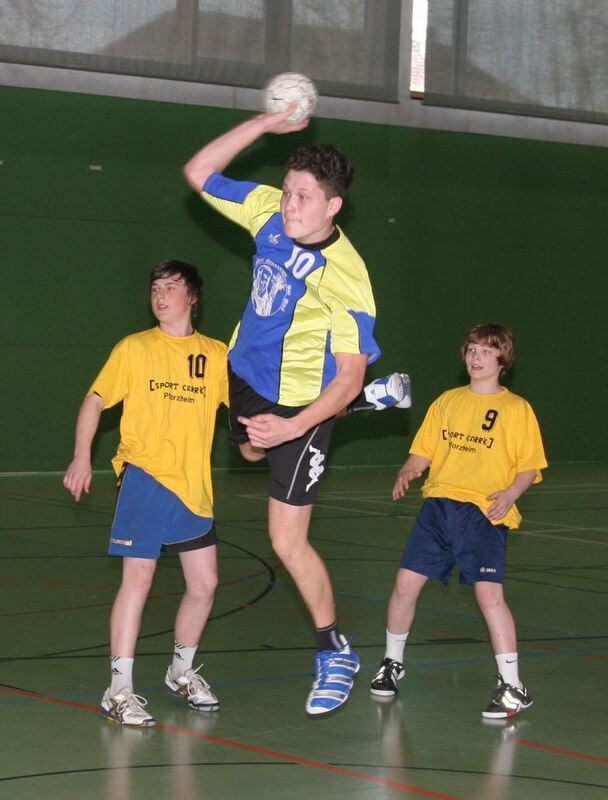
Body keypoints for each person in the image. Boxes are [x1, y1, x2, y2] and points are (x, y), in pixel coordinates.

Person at [183, 106, 409, 717]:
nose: (289, 204)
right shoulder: (265, 211)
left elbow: (346, 371)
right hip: (245, 378)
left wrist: (300, 421)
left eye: (304, 196)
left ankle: (333, 649)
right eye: (288, 191)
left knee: (286, 540)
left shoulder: (347, 278)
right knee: (250, 449)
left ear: (333, 206)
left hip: (304, 401)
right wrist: (262, 124)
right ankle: (363, 408)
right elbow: (199, 170)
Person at [63, 260, 228, 727]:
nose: (160, 296)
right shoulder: (134, 349)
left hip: (193, 487)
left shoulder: (216, 355)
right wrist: (82, 455)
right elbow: (95, 399)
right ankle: (117, 690)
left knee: (205, 585)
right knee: (137, 581)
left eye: (171, 288)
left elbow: (243, 420)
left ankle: (180, 671)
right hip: (145, 477)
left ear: (192, 297)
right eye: (155, 288)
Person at [370, 324, 547, 719]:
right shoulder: (447, 401)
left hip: (483, 513)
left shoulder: (516, 409)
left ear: (503, 360)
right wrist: (408, 469)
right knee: (404, 585)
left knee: (489, 596)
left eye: (486, 350)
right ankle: (391, 663)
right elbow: (424, 452)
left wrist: (511, 494)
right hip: (437, 509)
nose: (476, 356)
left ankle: (513, 686)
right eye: (471, 349)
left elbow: (529, 468)